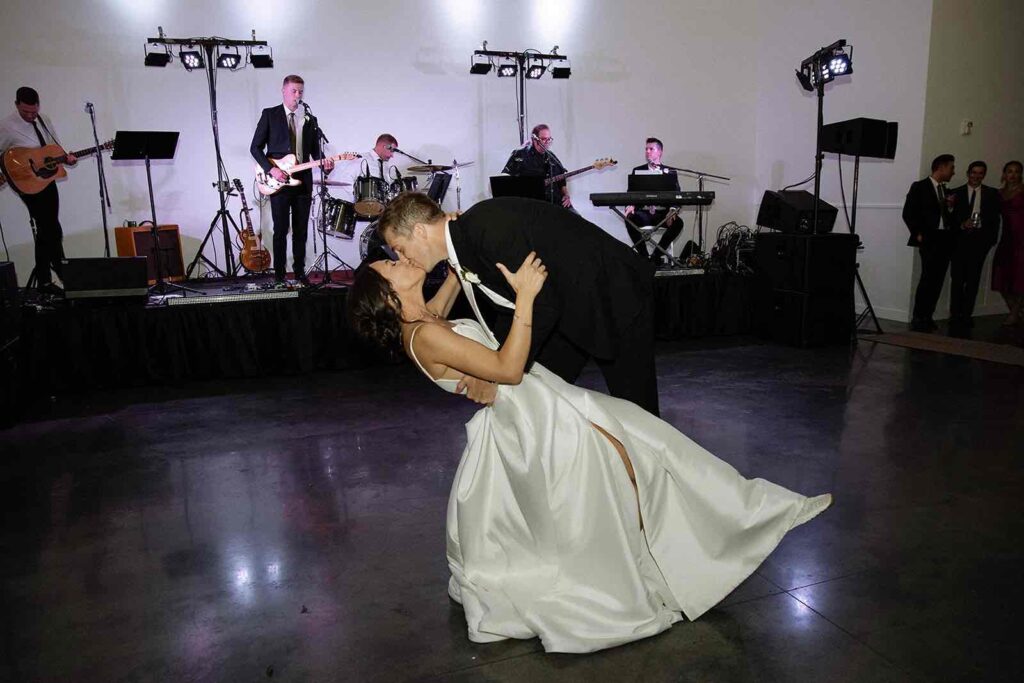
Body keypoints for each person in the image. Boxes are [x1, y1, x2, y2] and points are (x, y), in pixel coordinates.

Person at [345, 251, 832, 654]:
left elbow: (448, 287)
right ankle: (702, 541)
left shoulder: (423, 315)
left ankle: (741, 515)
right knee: (633, 461)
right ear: (385, 295)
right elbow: (508, 368)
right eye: (389, 265)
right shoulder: (424, 333)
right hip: (537, 418)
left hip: (543, 401)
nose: (399, 259)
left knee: (650, 448)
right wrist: (525, 299)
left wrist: (448, 250)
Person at [377, 192, 660, 416]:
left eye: (400, 248)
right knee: (536, 402)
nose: (403, 258)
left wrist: (494, 376)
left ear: (419, 231)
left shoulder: (486, 230)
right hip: (568, 313)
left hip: (615, 296)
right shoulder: (466, 239)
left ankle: (661, 480)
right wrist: (493, 369)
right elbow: (511, 305)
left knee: (640, 420)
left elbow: (543, 301)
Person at [250, 74, 334, 285]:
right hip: (279, 180)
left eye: (301, 92)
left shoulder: (309, 120)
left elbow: (315, 152)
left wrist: (325, 164)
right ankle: (279, 276)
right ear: (284, 91)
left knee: (301, 230)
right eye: (294, 91)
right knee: (280, 230)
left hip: (303, 181)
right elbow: (255, 147)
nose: (297, 95)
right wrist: (271, 169)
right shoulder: (270, 115)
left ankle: (299, 273)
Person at [0, 87, 76, 294]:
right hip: (26, 182)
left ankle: (47, 279)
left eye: (34, 111)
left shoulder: (43, 120)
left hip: (46, 180)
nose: (30, 116)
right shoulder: (6, 126)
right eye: (26, 112)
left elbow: (53, 148)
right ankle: (57, 271)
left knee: (50, 228)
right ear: (17, 105)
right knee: (49, 227)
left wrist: (66, 158)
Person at [902, 154, 956, 332]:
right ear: (941, 167)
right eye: (951, 168)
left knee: (938, 279)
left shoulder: (946, 190)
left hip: (944, 238)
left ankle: (928, 315)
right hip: (929, 238)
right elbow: (909, 212)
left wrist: (949, 207)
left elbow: (947, 216)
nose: (953, 172)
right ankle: (919, 316)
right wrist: (917, 233)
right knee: (927, 278)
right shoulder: (920, 187)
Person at [948, 161, 1002, 337]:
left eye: (980, 173)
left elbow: (995, 220)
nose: (976, 176)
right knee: (957, 280)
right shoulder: (955, 192)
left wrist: (989, 241)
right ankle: (955, 314)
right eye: (974, 172)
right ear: (968, 173)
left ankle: (966, 315)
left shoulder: (992, 194)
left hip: (980, 244)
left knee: (973, 281)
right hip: (959, 242)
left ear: (984, 175)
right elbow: (949, 219)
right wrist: (962, 224)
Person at [624, 137, 685, 265]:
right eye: (646, 149)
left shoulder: (670, 172)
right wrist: (630, 205)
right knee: (629, 219)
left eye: (651, 149)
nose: (648, 152)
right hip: (643, 214)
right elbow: (631, 193)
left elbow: (677, 195)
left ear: (660, 152)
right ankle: (644, 256)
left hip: (663, 215)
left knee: (678, 223)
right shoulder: (638, 170)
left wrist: (673, 210)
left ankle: (657, 255)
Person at [501, 124, 571, 208]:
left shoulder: (551, 157)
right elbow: (506, 177)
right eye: (544, 139)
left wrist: (566, 195)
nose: (547, 142)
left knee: (576, 218)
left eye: (549, 139)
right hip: (532, 204)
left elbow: (562, 180)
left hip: (555, 202)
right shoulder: (520, 154)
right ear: (535, 139)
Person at [991, 160, 1024, 326]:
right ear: (1004, 174)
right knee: (1001, 276)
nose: (1013, 175)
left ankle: (1014, 313)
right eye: (1010, 171)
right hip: (1006, 238)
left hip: (1022, 239)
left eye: (1017, 171)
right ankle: (1016, 310)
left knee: (1019, 277)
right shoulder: (999, 193)